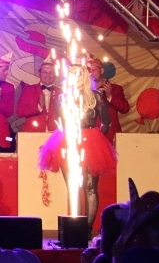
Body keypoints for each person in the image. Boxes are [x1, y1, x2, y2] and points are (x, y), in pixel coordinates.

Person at [39, 61, 118, 230]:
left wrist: (97, 140)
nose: (75, 77)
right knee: (73, 188)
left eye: (79, 73)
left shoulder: (96, 97)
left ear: (85, 76)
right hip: (68, 141)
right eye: (72, 73)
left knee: (90, 187)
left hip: (90, 141)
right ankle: (75, 229)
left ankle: (86, 229)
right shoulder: (62, 98)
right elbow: (61, 122)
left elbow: (106, 121)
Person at [89, 57, 130, 143]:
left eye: (93, 70)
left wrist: (109, 95)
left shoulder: (115, 88)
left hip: (109, 136)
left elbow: (125, 109)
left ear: (101, 71)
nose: (90, 73)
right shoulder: (83, 91)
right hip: (90, 135)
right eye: (88, 71)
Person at [16, 58, 60, 132]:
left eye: (51, 72)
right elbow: (19, 112)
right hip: (33, 132)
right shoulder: (29, 90)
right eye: (45, 72)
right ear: (39, 74)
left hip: (55, 133)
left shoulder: (60, 92)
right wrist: (39, 106)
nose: (48, 75)